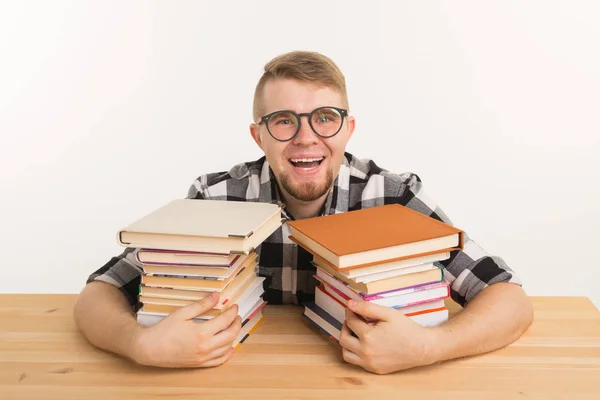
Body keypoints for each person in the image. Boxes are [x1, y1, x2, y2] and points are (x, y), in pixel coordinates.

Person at [73, 50, 533, 374]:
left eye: (325, 117)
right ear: (259, 136)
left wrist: (431, 346)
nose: (306, 137)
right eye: (284, 120)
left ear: (348, 129)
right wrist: (140, 344)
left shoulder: (395, 198)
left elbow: (508, 298)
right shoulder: (215, 198)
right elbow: (100, 293)